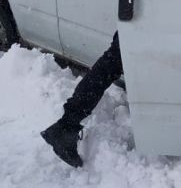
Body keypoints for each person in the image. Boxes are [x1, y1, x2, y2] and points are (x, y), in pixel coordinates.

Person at [41, 33, 123, 167]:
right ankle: (65, 127)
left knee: (110, 65)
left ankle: (66, 126)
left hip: (144, 21)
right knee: (110, 65)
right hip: (144, 20)